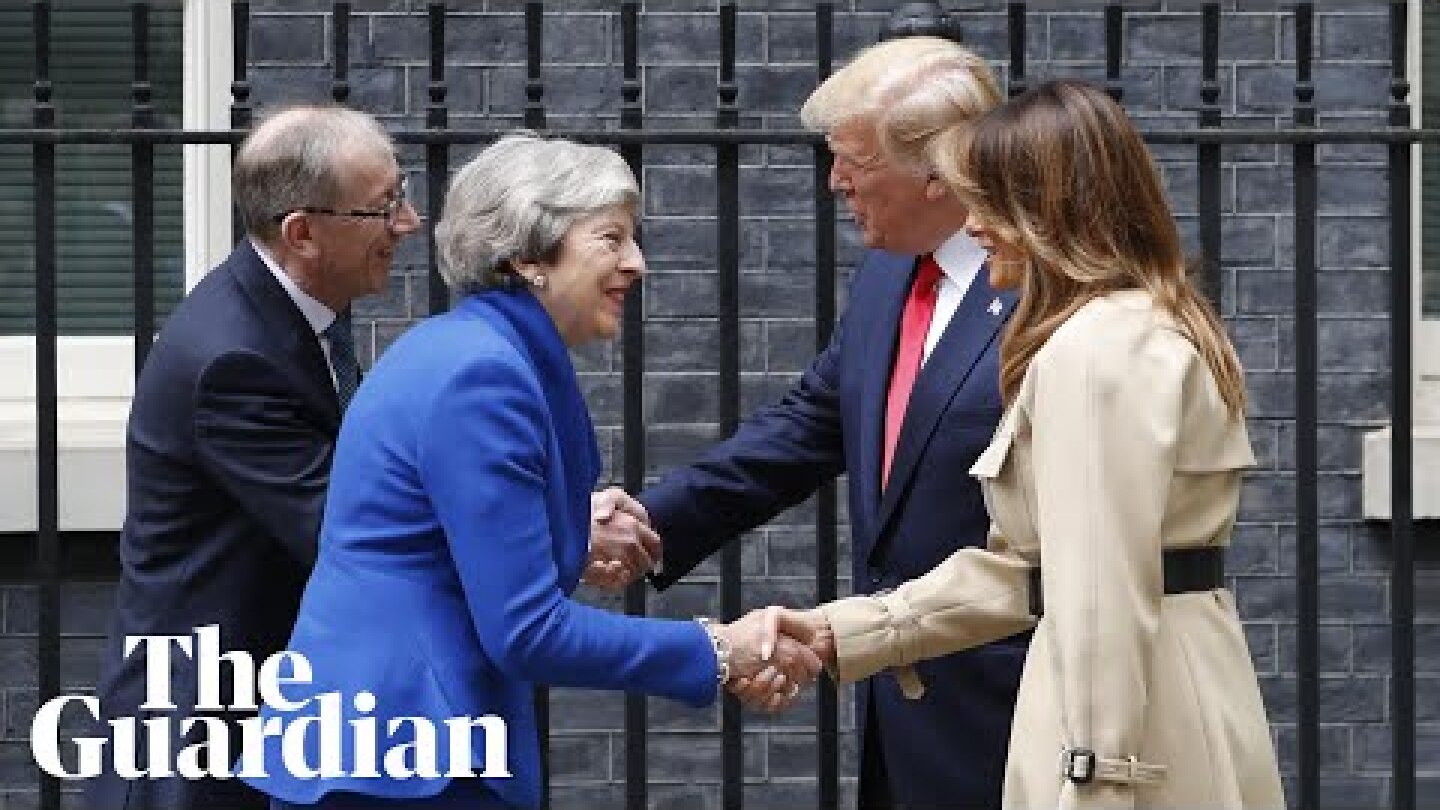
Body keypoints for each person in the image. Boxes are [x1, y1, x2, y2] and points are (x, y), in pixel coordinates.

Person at [240, 133, 821, 810]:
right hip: (405, 759)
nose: (637, 264)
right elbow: (527, 630)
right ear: (525, 256)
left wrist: (572, 524)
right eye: (610, 238)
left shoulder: (473, 349)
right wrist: (717, 649)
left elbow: (444, 543)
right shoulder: (483, 375)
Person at [752, 79, 1287, 810]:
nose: (972, 226)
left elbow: (1101, 596)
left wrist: (1097, 778)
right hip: (1172, 697)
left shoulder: (1095, 352)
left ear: (1049, 208)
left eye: (989, 203)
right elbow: (1031, 574)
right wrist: (841, 632)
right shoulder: (1141, 325)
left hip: (1124, 726)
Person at [590, 35, 1021, 809]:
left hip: (1011, 706)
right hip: (898, 706)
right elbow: (807, 428)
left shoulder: (1044, 293)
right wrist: (650, 520)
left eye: (855, 160)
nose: (835, 182)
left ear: (939, 170)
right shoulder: (891, 271)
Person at [86, 105, 422, 810]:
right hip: (195, 734)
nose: (409, 222)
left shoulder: (298, 308)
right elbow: (348, 531)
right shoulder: (234, 359)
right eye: (382, 207)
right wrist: (536, 530)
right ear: (303, 233)